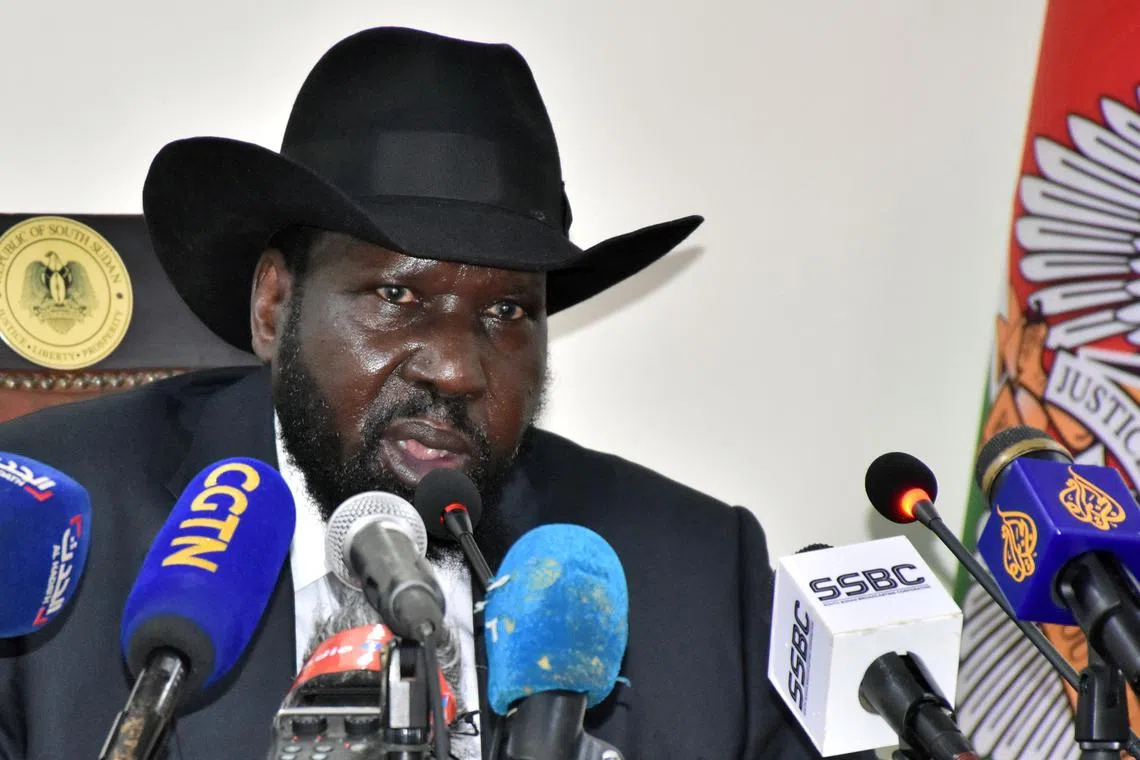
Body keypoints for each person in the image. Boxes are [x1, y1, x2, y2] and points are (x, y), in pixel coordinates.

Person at [0, 27, 867, 759]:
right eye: (396, 298)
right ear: (274, 306)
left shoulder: (694, 575)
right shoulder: (51, 532)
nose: (455, 369)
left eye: (504, 312)